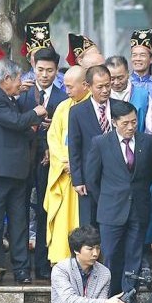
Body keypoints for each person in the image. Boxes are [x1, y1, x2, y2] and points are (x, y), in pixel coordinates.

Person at [85, 99, 152, 303]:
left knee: (134, 255)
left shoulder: (148, 142)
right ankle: (109, 298)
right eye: (125, 123)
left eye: (134, 122)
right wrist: (107, 199)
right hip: (111, 209)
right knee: (110, 255)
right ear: (114, 122)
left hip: (139, 207)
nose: (131, 127)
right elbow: (92, 179)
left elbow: (150, 173)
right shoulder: (101, 142)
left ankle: (128, 299)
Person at [0, 59, 44, 283]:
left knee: (19, 223)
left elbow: (21, 129)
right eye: (18, 79)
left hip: (17, 172)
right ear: (7, 79)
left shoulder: (9, 99)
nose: (20, 84)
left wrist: (33, 126)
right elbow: (15, 122)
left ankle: (22, 269)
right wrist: (36, 113)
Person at [17, 47, 67, 281]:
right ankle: (21, 265)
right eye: (40, 70)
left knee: (45, 211)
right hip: (23, 158)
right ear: (33, 67)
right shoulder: (22, 93)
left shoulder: (63, 98)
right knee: (20, 211)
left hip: (50, 162)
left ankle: (43, 263)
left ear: (56, 71)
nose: (44, 75)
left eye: (49, 70)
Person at [45, 66, 89, 265]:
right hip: (63, 174)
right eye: (65, 86)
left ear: (85, 85)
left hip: (84, 177)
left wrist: (78, 165)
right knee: (63, 222)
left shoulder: (93, 107)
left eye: (71, 87)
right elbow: (53, 138)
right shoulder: (63, 107)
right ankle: (61, 261)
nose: (67, 90)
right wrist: (66, 162)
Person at [68, 64, 114, 227]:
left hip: (114, 178)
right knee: (89, 226)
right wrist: (77, 180)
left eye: (108, 85)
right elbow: (74, 147)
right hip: (89, 179)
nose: (105, 90)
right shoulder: (77, 112)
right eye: (100, 87)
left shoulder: (119, 107)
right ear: (88, 87)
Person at [106, 56, 152, 135]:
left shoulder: (143, 95)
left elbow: (150, 128)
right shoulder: (103, 96)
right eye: (112, 79)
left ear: (128, 73)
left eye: (120, 78)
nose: (116, 82)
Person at [129, 28, 152, 103]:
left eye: (142, 55)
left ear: (151, 59)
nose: (138, 59)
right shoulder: (125, 84)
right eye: (134, 55)